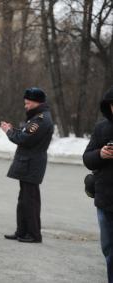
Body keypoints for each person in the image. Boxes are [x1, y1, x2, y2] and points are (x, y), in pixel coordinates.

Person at [1, 87, 53, 243]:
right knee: (24, 200)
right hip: (28, 164)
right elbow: (25, 133)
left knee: (30, 201)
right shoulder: (36, 117)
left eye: (28, 103)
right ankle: (22, 231)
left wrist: (9, 132)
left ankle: (33, 234)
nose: (26, 106)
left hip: (32, 165)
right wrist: (13, 129)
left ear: (37, 102)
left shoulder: (41, 120)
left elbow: (24, 138)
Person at [83, 87, 113, 283]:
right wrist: (100, 155)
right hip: (105, 199)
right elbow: (87, 158)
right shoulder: (102, 128)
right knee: (109, 248)